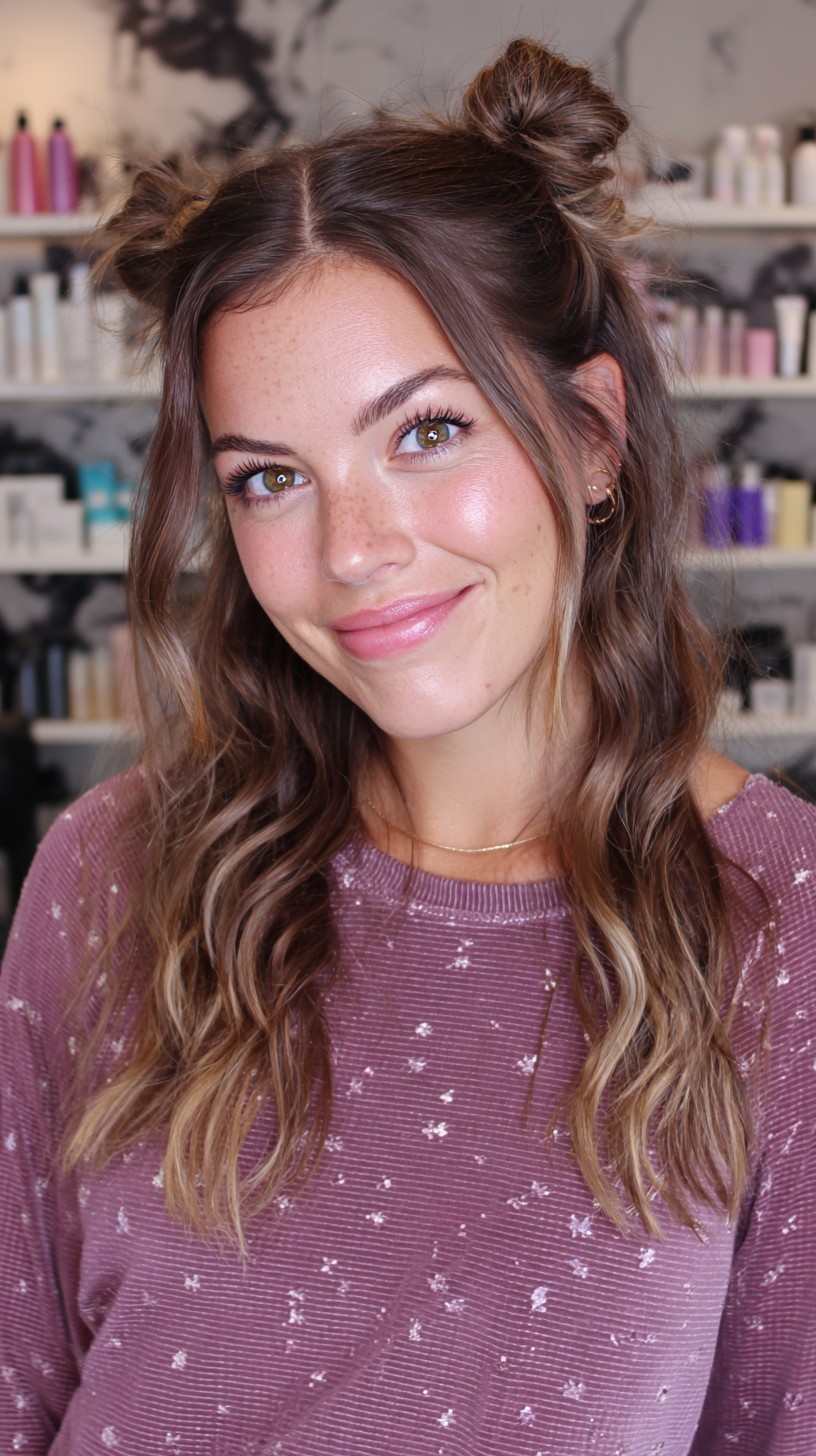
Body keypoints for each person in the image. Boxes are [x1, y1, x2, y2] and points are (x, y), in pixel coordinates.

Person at [1, 36, 814, 1456]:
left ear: (595, 434)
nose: (354, 550)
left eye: (428, 432)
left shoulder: (784, 928)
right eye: (271, 477)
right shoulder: (114, 868)